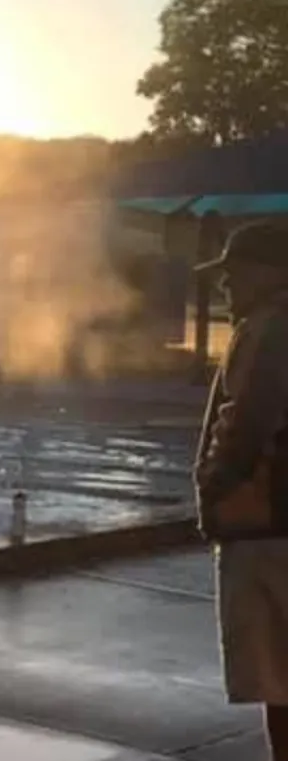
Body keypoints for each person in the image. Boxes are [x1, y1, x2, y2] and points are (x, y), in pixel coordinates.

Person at [193, 220, 288, 760]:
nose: (226, 286)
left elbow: (246, 423)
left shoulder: (269, 329)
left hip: (268, 531)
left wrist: (214, 486)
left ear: (270, 272)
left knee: (277, 684)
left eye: (233, 274)